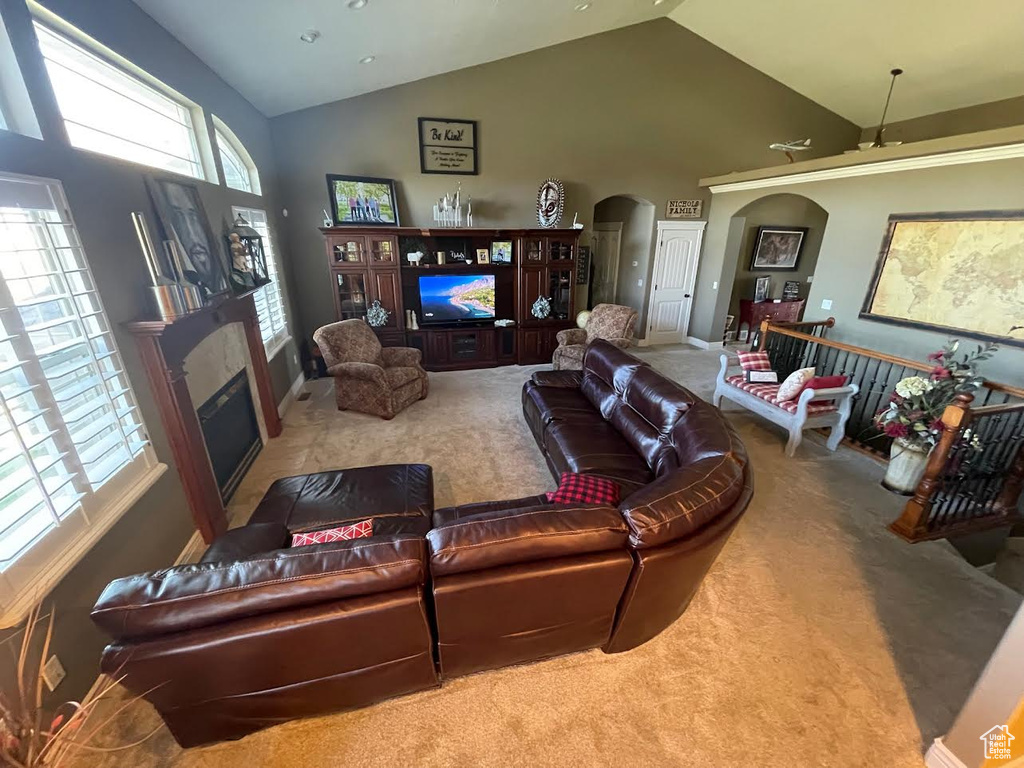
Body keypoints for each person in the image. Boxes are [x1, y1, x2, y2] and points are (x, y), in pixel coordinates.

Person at [163, 181, 225, 294]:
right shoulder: (187, 278)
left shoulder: (223, 280)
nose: (193, 236)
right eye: (179, 218)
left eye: (194, 217)